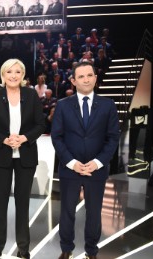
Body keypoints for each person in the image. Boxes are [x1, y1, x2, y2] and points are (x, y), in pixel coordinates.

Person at [50, 62, 119, 259]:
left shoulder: (108, 105)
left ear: (96, 78)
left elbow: (113, 138)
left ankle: (91, 251)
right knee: (67, 211)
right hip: (70, 169)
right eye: (81, 76)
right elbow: (57, 137)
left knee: (94, 212)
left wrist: (98, 162)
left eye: (90, 75)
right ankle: (66, 249)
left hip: (96, 170)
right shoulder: (63, 105)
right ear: (73, 80)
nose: (86, 79)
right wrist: (72, 162)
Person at [0, 59, 45, 259]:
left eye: (18, 71)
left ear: (23, 75)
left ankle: (23, 248)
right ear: (3, 75)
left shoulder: (31, 94)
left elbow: (40, 124)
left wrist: (24, 138)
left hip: (26, 157)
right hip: (2, 156)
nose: (13, 75)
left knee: (23, 203)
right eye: (9, 71)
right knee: (0, 203)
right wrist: (4, 139)